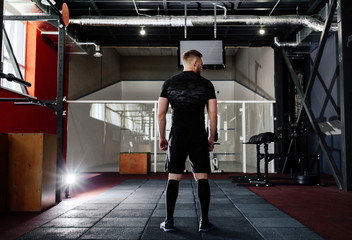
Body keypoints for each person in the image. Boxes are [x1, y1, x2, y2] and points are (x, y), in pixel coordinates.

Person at [158, 49, 217, 232]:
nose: (202, 66)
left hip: (178, 134)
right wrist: (211, 137)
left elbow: (161, 114)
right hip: (198, 134)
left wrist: (162, 136)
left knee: (173, 177)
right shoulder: (206, 84)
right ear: (195, 63)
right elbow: (213, 114)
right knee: (201, 177)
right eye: (200, 62)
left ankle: (168, 221)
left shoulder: (169, 83)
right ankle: (204, 222)